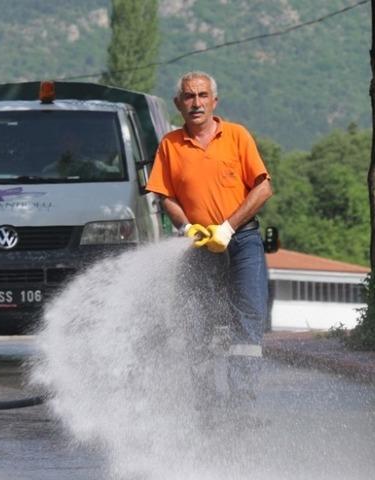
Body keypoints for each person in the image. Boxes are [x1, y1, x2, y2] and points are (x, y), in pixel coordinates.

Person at [145, 71, 273, 414]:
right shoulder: (170, 145)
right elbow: (164, 196)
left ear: (214, 101)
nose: (196, 103)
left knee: (247, 316)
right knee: (197, 319)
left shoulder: (236, 136)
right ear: (178, 104)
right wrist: (187, 227)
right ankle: (205, 403)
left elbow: (263, 188)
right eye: (189, 97)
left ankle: (241, 404)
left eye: (203, 95)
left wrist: (229, 228)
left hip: (242, 240)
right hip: (198, 245)